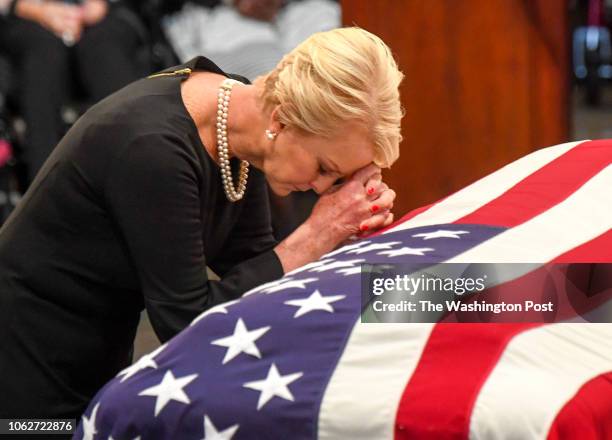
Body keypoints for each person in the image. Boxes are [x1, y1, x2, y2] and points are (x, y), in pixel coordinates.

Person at [0, 26, 404, 419]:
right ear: (281, 121)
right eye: (325, 168)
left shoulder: (235, 119)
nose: (321, 188)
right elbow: (186, 323)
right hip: (27, 355)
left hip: (94, 348)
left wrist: (355, 237)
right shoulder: (154, 148)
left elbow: (255, 271)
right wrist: (320, 231)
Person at [0, 0, 148, 185]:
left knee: (104, 48)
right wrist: (31, 9)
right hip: (25, 19)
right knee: (43, 54)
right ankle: (45, 189)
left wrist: (97, 6)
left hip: (105, 16)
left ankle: (144, 170)